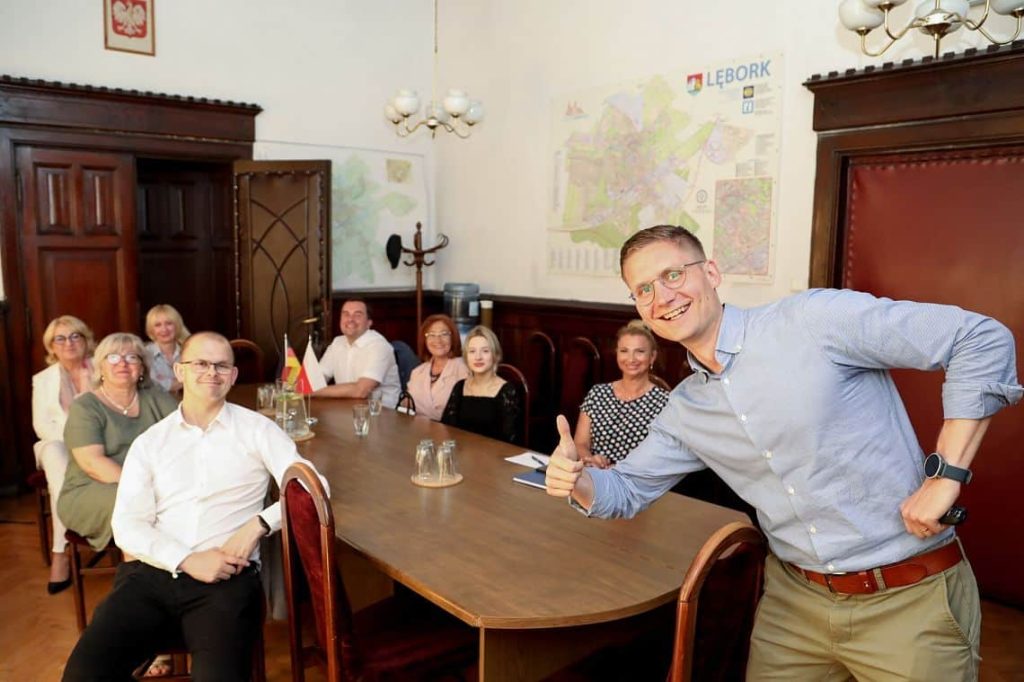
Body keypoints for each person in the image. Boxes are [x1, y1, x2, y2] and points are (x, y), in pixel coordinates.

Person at [545, 224, 1022, 680]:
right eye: (643, 289)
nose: (662, 296)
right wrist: (576, 479)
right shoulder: (686, 408)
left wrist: (945, 475)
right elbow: (624, 489)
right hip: (793, 606)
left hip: (909, 598)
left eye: (672, 274)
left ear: (710, 272)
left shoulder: (812, 320)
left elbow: (979, 338)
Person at [62, 332, 326, 682]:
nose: (211, 372)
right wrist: (187, 559)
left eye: (221, 365)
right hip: (150, 576)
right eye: (200, 363)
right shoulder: (150, 442)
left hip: (226, 579)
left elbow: (313, 485)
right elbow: (127, 526)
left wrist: (258, 525)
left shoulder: (257, 429)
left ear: (233, 375)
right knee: (82, 674)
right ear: (179, 371)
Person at [57, 333, 178, 551]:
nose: (122, 363)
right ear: (100, 368)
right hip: (94, 488)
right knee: (137, 504)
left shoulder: (156, 398)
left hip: (154, 485)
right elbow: (93, 464)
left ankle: (178, 561)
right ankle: (142, 568)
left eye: (132, 357)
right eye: (113, 357)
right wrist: (147, 487)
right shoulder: (85, 406)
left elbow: (188, 436)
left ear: (142, 368)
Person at [32, 315, 96, 594]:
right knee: (55, 457)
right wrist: (74, 443)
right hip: (58, 445)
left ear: (86, 340)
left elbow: (109, 415)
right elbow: (41, 426)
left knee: (61, 476)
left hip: (98, 445)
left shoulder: (103, 370)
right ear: (51, 346)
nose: (68, 343)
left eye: (75, 336)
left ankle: (64, 551)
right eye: (60, 338)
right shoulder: (42, 380)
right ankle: (61, 550)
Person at [574, 320, 669, 469]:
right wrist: (590, 460)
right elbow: (580, 443)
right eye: (624, 351)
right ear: (617, 353)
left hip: (637, 480)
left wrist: (620, 470)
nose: (631, 359)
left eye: (640, 351)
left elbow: (662, 458)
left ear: (652, 356)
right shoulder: (597, 393)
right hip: (594, 476)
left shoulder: (665, 402)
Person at [441, 325, 521, 444]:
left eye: (485, 351)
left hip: (494, 454)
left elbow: (511, 440)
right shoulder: (460, 386)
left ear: (495, 355)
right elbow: (447, 429)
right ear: (466, 357)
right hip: (461, 452)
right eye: (472, 351)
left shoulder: (507, 391)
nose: (478, 357)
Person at [315, 299, 401, 406]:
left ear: (369, 323)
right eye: (346, 314)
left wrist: (310, 392)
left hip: (382, 413)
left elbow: (361, 391)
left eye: (357, 315)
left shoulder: (379, 346)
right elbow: (316, 378)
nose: (350, 319)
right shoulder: (337, 343)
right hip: (345, 410)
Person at [407, 314, 470, 420]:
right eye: (432, 335)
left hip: (450, 429)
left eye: (444, 334)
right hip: (416, 428)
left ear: (453, 337)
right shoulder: (417, 372)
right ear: (424, 340)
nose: (438, 340)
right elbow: (407, 406)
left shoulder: (464, 368)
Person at [143, 303, 191, 392]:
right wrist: (186, 380)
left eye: (169, 323)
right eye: (158, 325)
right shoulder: (144, 354)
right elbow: (154, 387)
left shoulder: (190, 352)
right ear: (151, 329)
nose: (164, 329)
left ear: (177, 326)